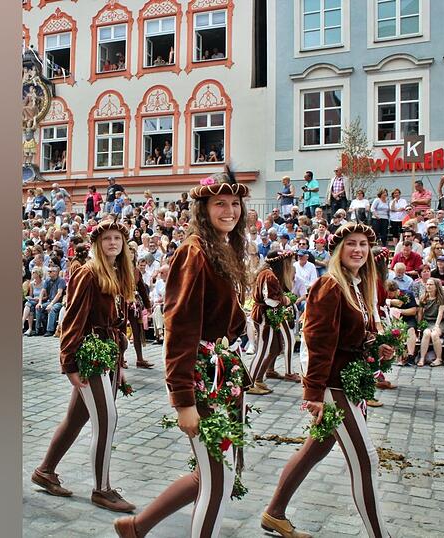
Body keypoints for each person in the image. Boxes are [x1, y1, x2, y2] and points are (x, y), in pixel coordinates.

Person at [114, 170, 251, 538]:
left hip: (220, 373)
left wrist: (239, 326)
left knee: (212, 471)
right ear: (202, 209)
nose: (229, 210)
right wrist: (183, 400)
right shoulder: (194, 252)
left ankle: (136, 526)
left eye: (235, 203)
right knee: (217, 479)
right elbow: (180, 327)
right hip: (199, 378)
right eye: (220, 203)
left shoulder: (223, 249)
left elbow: (224, 313)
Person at [261, 222, 394, 538]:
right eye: (351, 244)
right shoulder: (330, 284)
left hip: (349, 382)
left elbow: (353, 334)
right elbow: (318, 341)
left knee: (314, 449)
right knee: (366, 461)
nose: (358, 249)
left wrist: (377, 344)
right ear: (338, 250)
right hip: (334, 387)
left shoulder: (356, 285)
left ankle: (274, 514)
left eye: (363, 244)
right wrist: (314, 393)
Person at [31, 221, 137, 513]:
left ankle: (45, 471)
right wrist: (69, 363)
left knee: (77, 418)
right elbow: (72, 320)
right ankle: (102, 489)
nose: (113, 243)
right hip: (91, 355)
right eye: (107, 239)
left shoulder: (120, 271)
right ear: (97, 243)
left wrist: (120, 360)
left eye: (118, 238)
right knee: (107, 420)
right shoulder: (88, 273)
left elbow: (119, 321)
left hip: (109, 354)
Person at [249, 250, 300, 395]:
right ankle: (251, 382)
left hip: (269, 315)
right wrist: (287, 300)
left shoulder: (268, 273)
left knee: (275, 348)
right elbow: (271, 300)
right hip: (265, 315)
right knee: (263, 350)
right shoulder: (269, 275)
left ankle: (258, 378)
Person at [383, 279, 419, 366]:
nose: (388, 295)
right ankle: (397, 356)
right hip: (391, 320)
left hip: (408, 319)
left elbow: (413, 311)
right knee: (395, 331)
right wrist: (390, 302)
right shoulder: (386, 298)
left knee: (410, 330)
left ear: (395, 290)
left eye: (389, 293)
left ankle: (411, 356)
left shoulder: (407, 294)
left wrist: (399, 311)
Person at [129, 257, 155, 369]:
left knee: (137, 331)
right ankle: (120, 360)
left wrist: (148, 305)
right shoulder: (117, 269)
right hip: (120, 305)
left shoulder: (136, 271)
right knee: (119, 333)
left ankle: (140, 359)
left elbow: (142, 289)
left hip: (134, 305)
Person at [416, 278, 444, 368]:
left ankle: (439, 358)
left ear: (436, 287)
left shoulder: (441, 298)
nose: (428, 286)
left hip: (439, 322)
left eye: (431, 285)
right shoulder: (423, 297)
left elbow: (440, 313)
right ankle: (422, 358)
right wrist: (419, 324)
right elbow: (420, 313)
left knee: (434, 334)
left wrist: (437, 325)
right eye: (427, 284)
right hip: (427, 321)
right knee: (426, 333)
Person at [36, 266, 66, 336]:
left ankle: (50, 330)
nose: (48, 273)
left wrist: (51, 304)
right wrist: (39, 302)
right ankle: (38, 329)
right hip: (49, 301)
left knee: (52, 309)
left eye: (50, 271)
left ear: (55, 273)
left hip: (58, 302)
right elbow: (42, 291)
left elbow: (59, 294)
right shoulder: (48, 280)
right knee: (38, 307)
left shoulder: (61, 280)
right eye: (48, 271)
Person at [23, 267, 45, 336]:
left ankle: (22, 323)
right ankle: (29, 329)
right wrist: (31, 298)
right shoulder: (32, 283)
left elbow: (47, 296)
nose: (32, 274)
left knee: (28, 304)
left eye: (33, 273)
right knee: (29, 306)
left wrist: (39, 299)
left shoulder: (44, 283)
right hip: (33, 301)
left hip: (41, 301)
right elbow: (31, 296)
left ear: (38, 274)